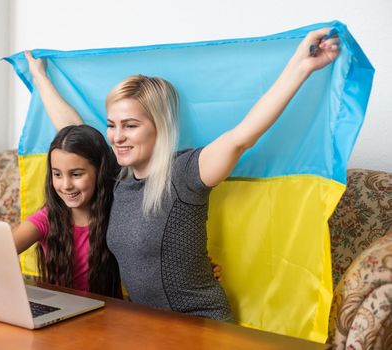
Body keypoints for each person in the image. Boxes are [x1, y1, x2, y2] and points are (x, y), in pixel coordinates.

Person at [24, 28, 340, 321]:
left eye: (130, 125)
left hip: (200, 323)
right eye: (112, 125)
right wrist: (40, 78)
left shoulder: (185, 172)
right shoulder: (117, 178)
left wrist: (301, 66)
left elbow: (241, 137)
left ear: (159, 126)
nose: (117, 137)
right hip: (146, 327)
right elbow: (73, 130)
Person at [13, 124, 122, 298]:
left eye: (76, 174)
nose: (66, 185)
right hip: (62, 312)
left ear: (100, 171)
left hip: (108, 314)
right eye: (57, 174)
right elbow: (3, 250)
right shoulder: (47, 218)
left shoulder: (118, 211)